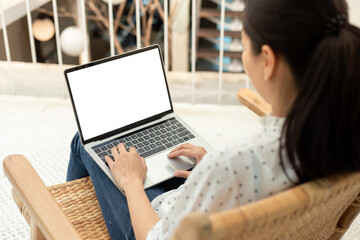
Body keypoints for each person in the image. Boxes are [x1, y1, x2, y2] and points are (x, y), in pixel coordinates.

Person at [66, 0, 360, 239]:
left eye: (244, 46)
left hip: (159, 227)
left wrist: (131, 181)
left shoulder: (232, 166)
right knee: (154, 163)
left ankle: (62, 221)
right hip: (209, 204)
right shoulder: (344, 136)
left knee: (86, 141)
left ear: (267, 60)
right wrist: (215, 169)